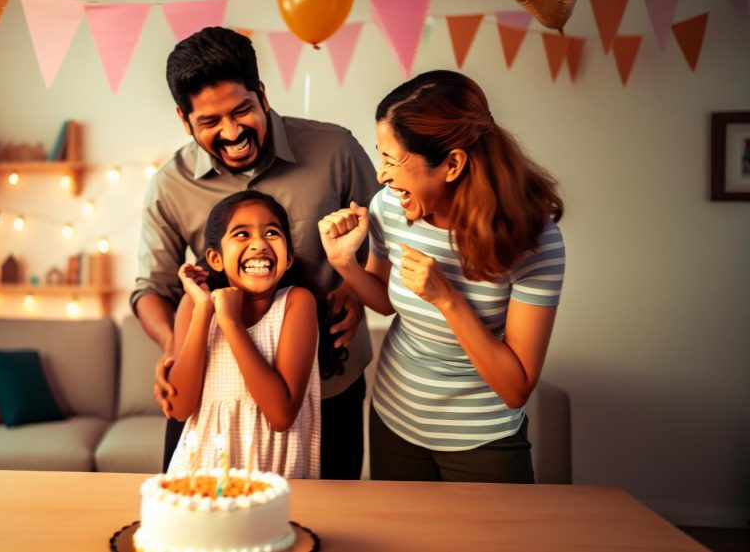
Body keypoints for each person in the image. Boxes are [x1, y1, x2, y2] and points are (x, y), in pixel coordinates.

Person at [131, 26, 379, 478]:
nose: (231, 132)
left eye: (241, 110)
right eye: (209, 122)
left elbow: (389, 242)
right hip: (212, 398)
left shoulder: (335, 150)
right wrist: (175, 347)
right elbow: (152, 288)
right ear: (184, 120)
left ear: (262, 94)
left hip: (330, 386)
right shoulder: (169, 186)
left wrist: (357, 292)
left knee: (327, 524)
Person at [318, 70, 565, 483]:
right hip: (394, 419)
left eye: (392, 160)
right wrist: (345, 264)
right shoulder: (390, 208)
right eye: (382, 157)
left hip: (483, 439)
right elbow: (382, 299)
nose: (381, 175)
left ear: (452, 164)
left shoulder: (534, 241)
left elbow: (515, 387)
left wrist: (447, 298)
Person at [168, 191, 320, 478]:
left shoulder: (297, 303)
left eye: (272, 233)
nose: (259, 245)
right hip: (201, 478)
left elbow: (281, 415)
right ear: (215, 258)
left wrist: (231, 323)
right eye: (241, 234)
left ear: (288, 257)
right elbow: (179, 408)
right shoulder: (194, 305)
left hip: (276, 479)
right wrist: (203, 309)